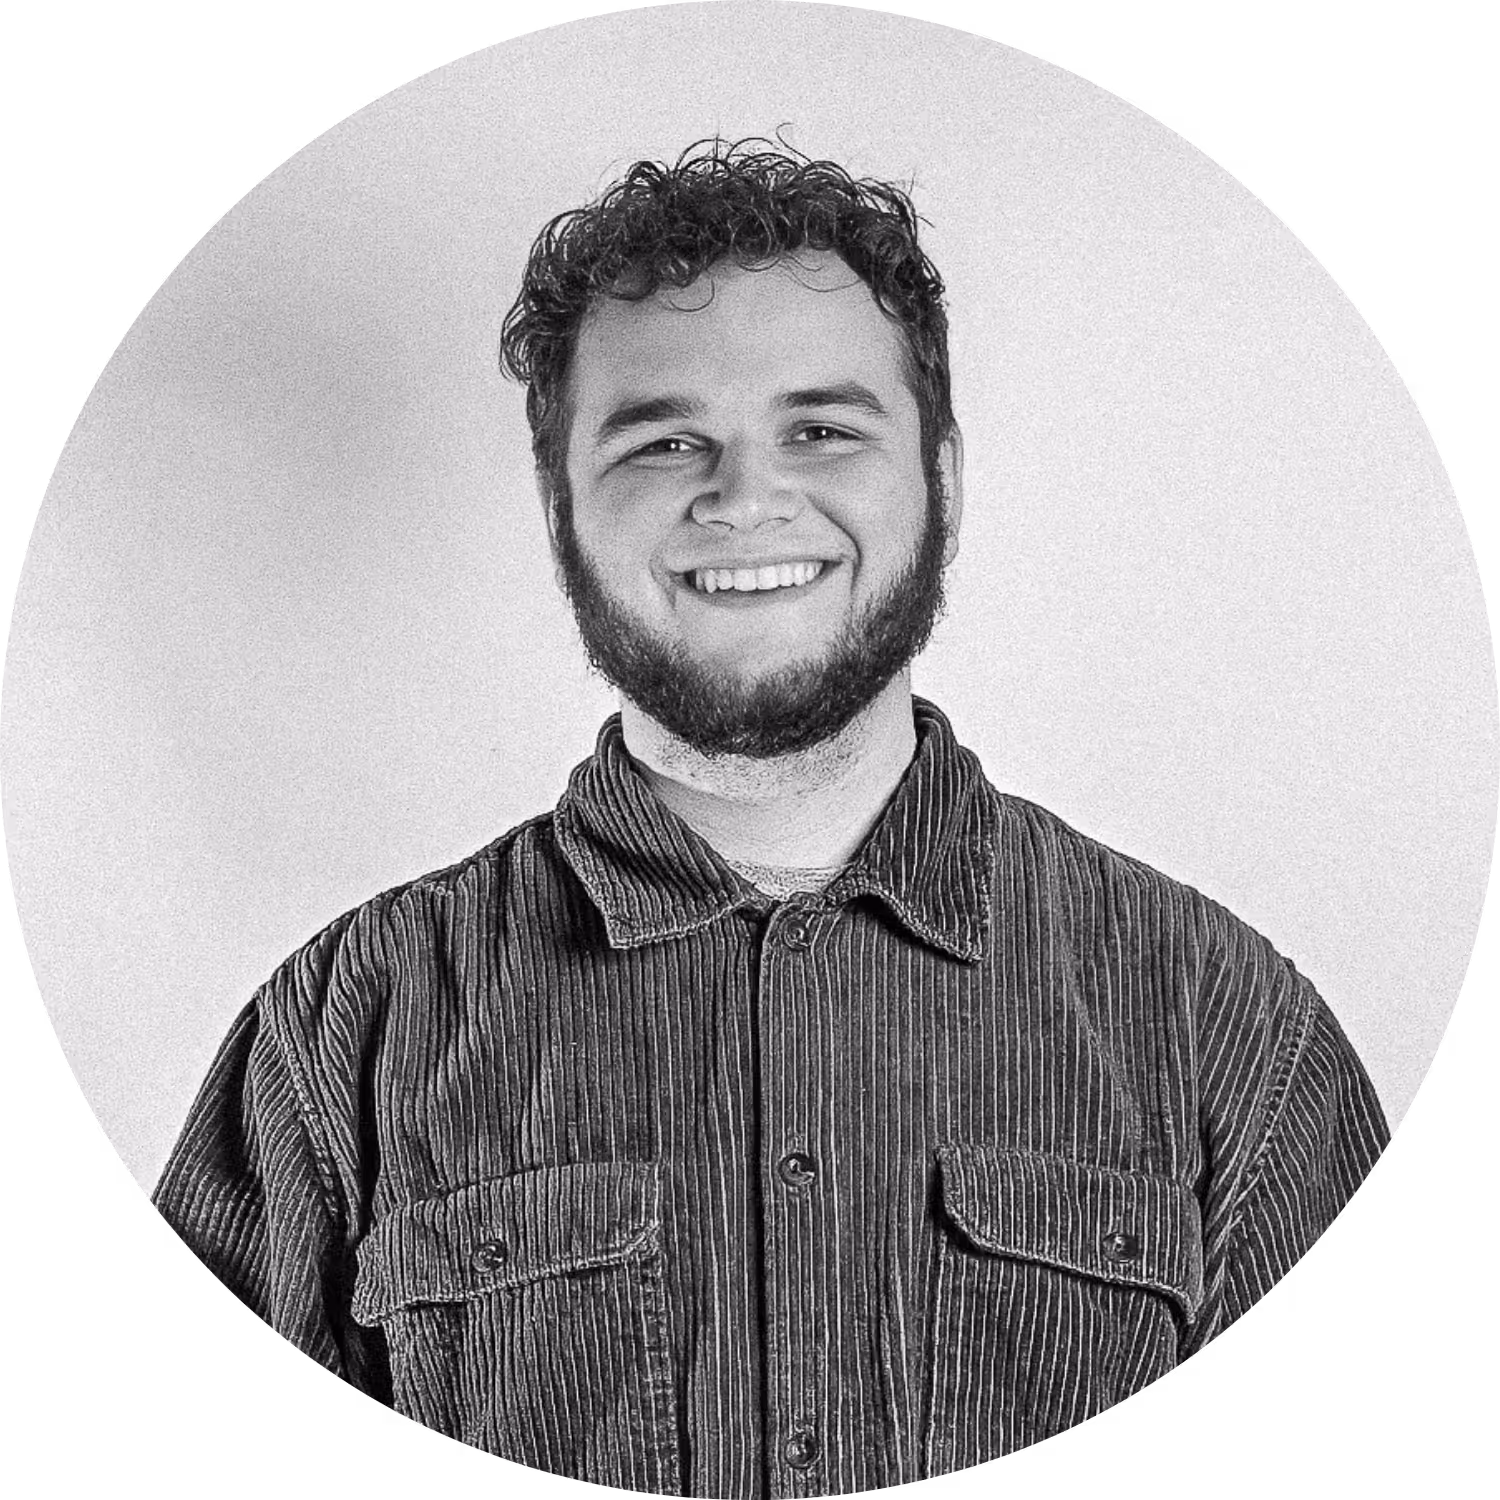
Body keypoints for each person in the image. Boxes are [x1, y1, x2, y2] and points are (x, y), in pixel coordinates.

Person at [153, 139, 1389, 1495]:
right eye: (665, 440)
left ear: (944, 481)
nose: (745, 498)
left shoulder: (1227, 1028)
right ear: (561, 513)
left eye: (821, 429)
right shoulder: (340, 1035)